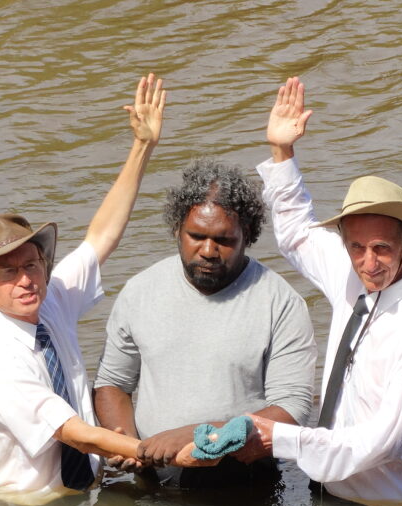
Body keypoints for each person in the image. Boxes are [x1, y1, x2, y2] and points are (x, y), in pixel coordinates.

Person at [0, 75, 206, 506]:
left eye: (32, 265)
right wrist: (164, 453)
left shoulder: (47, 299)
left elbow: (102, 235)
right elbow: (77, 435)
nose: (25, 280)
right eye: (8, 272)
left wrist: (143, 147)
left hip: (83, 483)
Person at [250, 77, 402, 506]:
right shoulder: (351, 273)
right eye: (356, 247)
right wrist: (282, 151)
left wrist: (282, 438)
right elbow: (295, 233)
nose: (369, 264)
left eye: (382, 248)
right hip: (328, 490)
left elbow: (384, 443)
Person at [93, 157, 317, 488]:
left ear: (248, 236)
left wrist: (205, 435)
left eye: (225, 240)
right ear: (177, 230)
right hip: (152, 475)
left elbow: (292, 408)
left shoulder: (280, 302)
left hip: (242, 482)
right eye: (196, 236)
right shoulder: (140, 291)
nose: (209, 250)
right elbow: (113, 382)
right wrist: (125, 441)